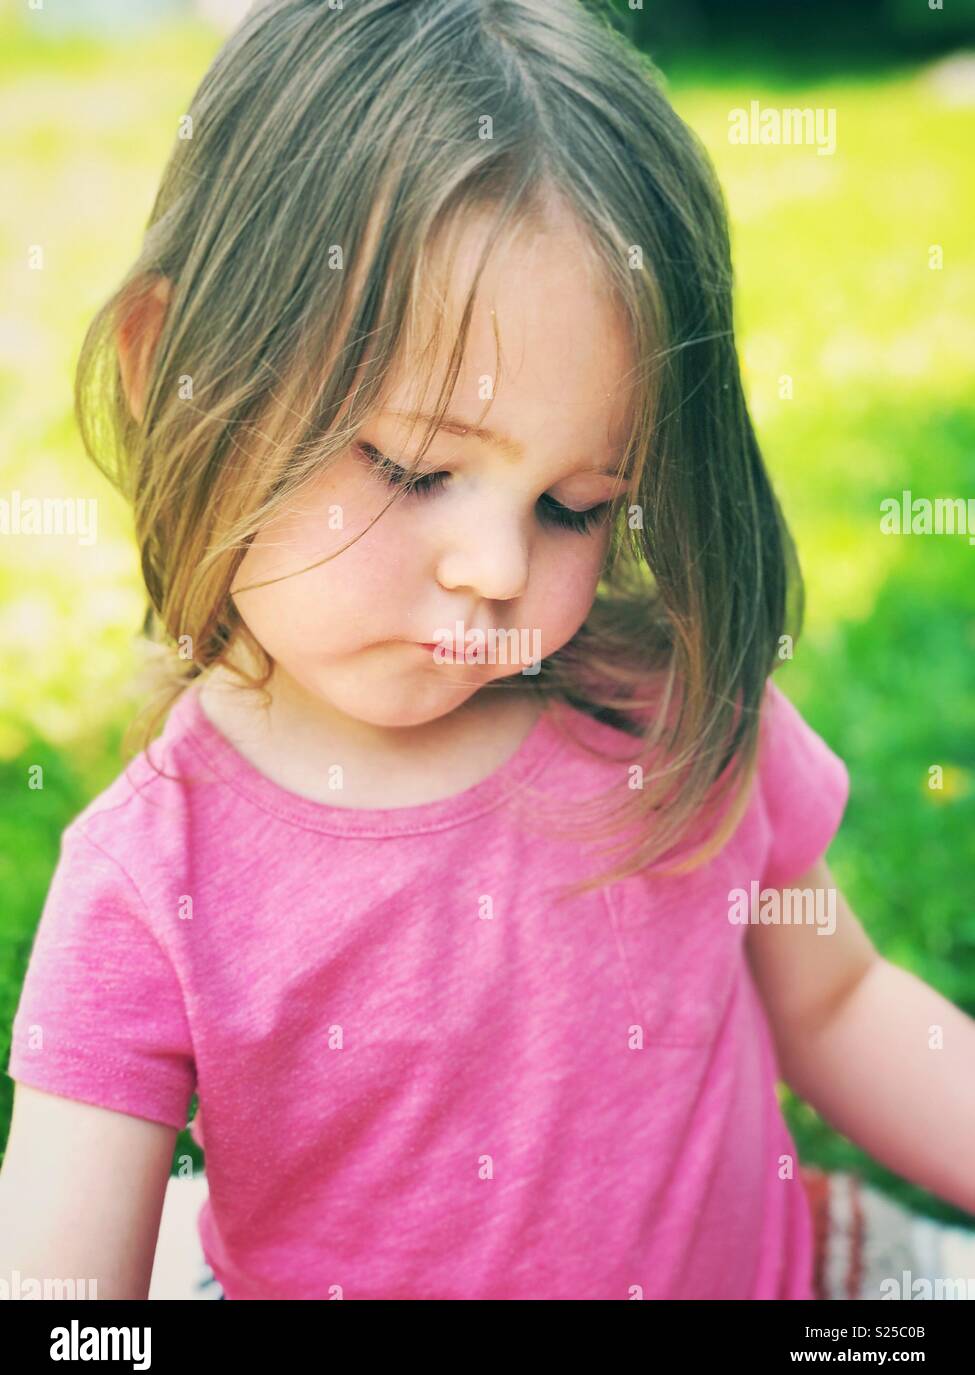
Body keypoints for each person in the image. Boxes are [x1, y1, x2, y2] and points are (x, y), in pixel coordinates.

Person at [2, 0, 974, 1301]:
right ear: (168, 368)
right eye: (413, 468)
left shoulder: (662, 716)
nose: (500, 568)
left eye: (573, 505)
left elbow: (839, 1001)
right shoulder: (149, 882)